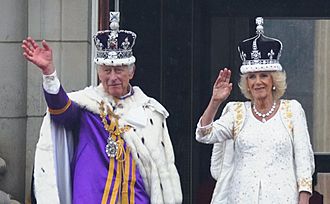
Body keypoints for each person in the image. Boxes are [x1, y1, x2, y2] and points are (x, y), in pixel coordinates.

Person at [22, 11, 182, 204]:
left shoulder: (150, 112)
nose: (112, 77)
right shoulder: (87, 106)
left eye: (119, 70)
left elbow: (159, 170)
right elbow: (61, 110)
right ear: (99, 73)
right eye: (106, 70)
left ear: (131, 72)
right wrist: (49, 73)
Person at [195, 17, 314, 204]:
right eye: (252, 77)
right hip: (241, 197)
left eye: (264, 75)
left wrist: (304, 198)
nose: (258, 82)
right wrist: (215, 101)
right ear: (247, 84)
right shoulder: (236, 113)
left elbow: (304, 162)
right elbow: (204, 134)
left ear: (274, 80)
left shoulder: (292, 110)